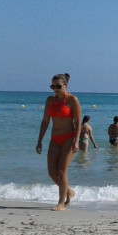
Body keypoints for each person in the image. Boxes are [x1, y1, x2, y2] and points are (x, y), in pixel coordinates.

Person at [36, 73, 81, 211]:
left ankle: (61, 203)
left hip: (69, 138)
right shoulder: (50, 100)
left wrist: (76, 141)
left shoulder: (72, 100)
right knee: (52, 173)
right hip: (54, 139)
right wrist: (39, 141)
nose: (55, 89)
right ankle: (69, 191)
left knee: (61, 171)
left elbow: (78, 122)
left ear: (66, 85)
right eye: (52, 86)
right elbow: (45, 122)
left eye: (58, 86)